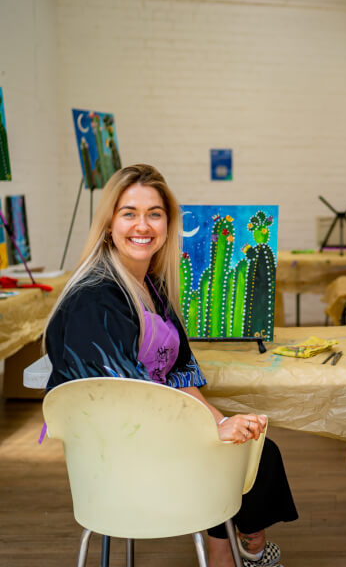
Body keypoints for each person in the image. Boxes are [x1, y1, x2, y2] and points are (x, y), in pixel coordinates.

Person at [44, 164, 297, 567]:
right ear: (109, 223)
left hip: (156, 435)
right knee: (246, 458)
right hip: (121, 458)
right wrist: (208, 431)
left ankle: (237, 549)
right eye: (129, 212)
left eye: (154, 213)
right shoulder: (95, 298)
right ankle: (236, 552)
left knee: (255, 447)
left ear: (167, 223)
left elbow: (179, 375)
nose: (142, 225)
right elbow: (128, 403)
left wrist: (218, 424)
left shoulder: (153, 287)